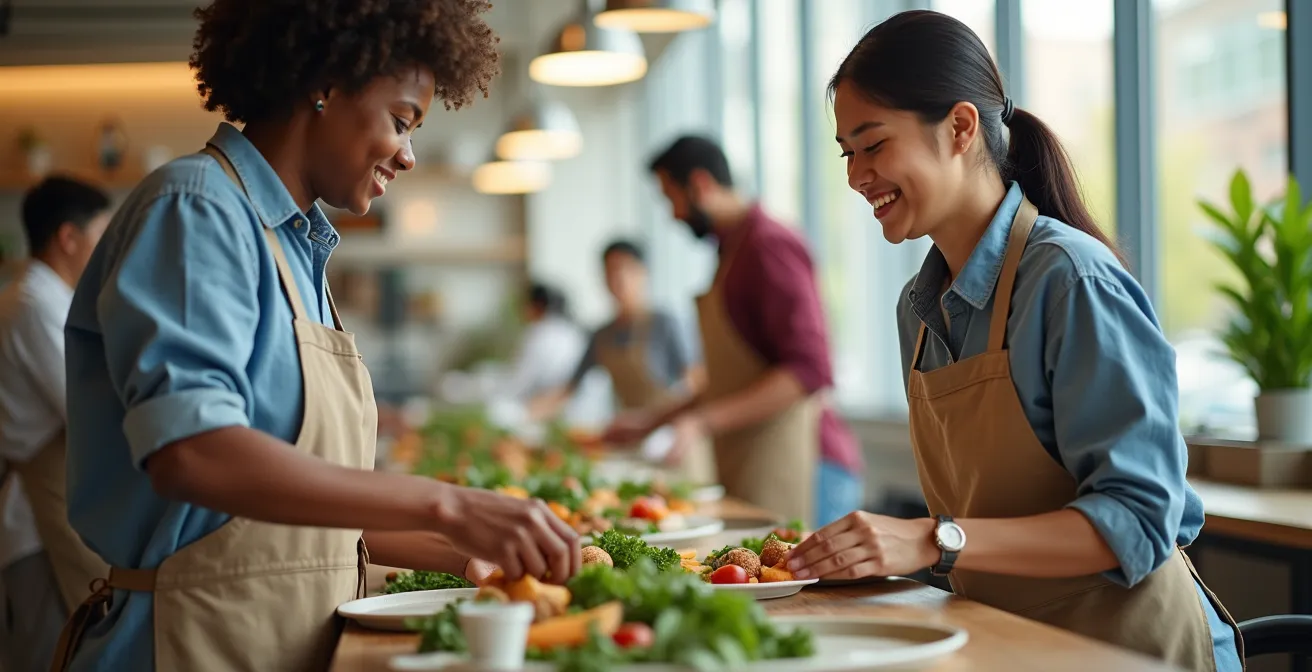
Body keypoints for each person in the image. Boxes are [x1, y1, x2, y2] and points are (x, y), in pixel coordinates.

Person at [55, 2, 579, 671]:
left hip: (269, 639)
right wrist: (446, 505)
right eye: (402, 121)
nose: (410, 155)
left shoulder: (294, 248)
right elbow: (193, 452)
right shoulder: (197, 208)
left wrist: (483, 550)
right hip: (186, 645)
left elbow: (298, 517)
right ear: (324, 85)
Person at [785, 10, 1242, 671]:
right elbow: (982, 529)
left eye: (874, 144)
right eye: (847, 152)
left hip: (1132, 649)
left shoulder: (1070, 280)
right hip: (1010, 645)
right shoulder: (916, 312)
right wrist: (869, 557)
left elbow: (1138, 518)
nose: (857, 175)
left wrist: (929, 541)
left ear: (961, 128)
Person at [604, 136, 865, 528]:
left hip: (809, 465)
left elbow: (810, 370)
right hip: (754, 462)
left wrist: (701, 423)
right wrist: (651, 422)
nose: (672, 215)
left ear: (701, 185)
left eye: (670, 197)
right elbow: (728, 382)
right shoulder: (733, 251)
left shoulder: (769, 245)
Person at [0, 177, 111, 672]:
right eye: (101, 235)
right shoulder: (33, 304)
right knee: (50, 658)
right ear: (69, 237)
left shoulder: (42, 299)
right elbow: (89, 407)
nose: (106, 249)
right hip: (37, 526)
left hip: (53, 514)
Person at [527, 240, 713, 482]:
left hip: (672, 439)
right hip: (628, 441)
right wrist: (524, 414)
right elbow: (567, 388)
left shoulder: (665, 323)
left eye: (626, 269)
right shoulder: (601, 334)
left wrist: (683, 423)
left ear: (643, 273)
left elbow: (696, 382)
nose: (619, 278)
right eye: (611, 271)